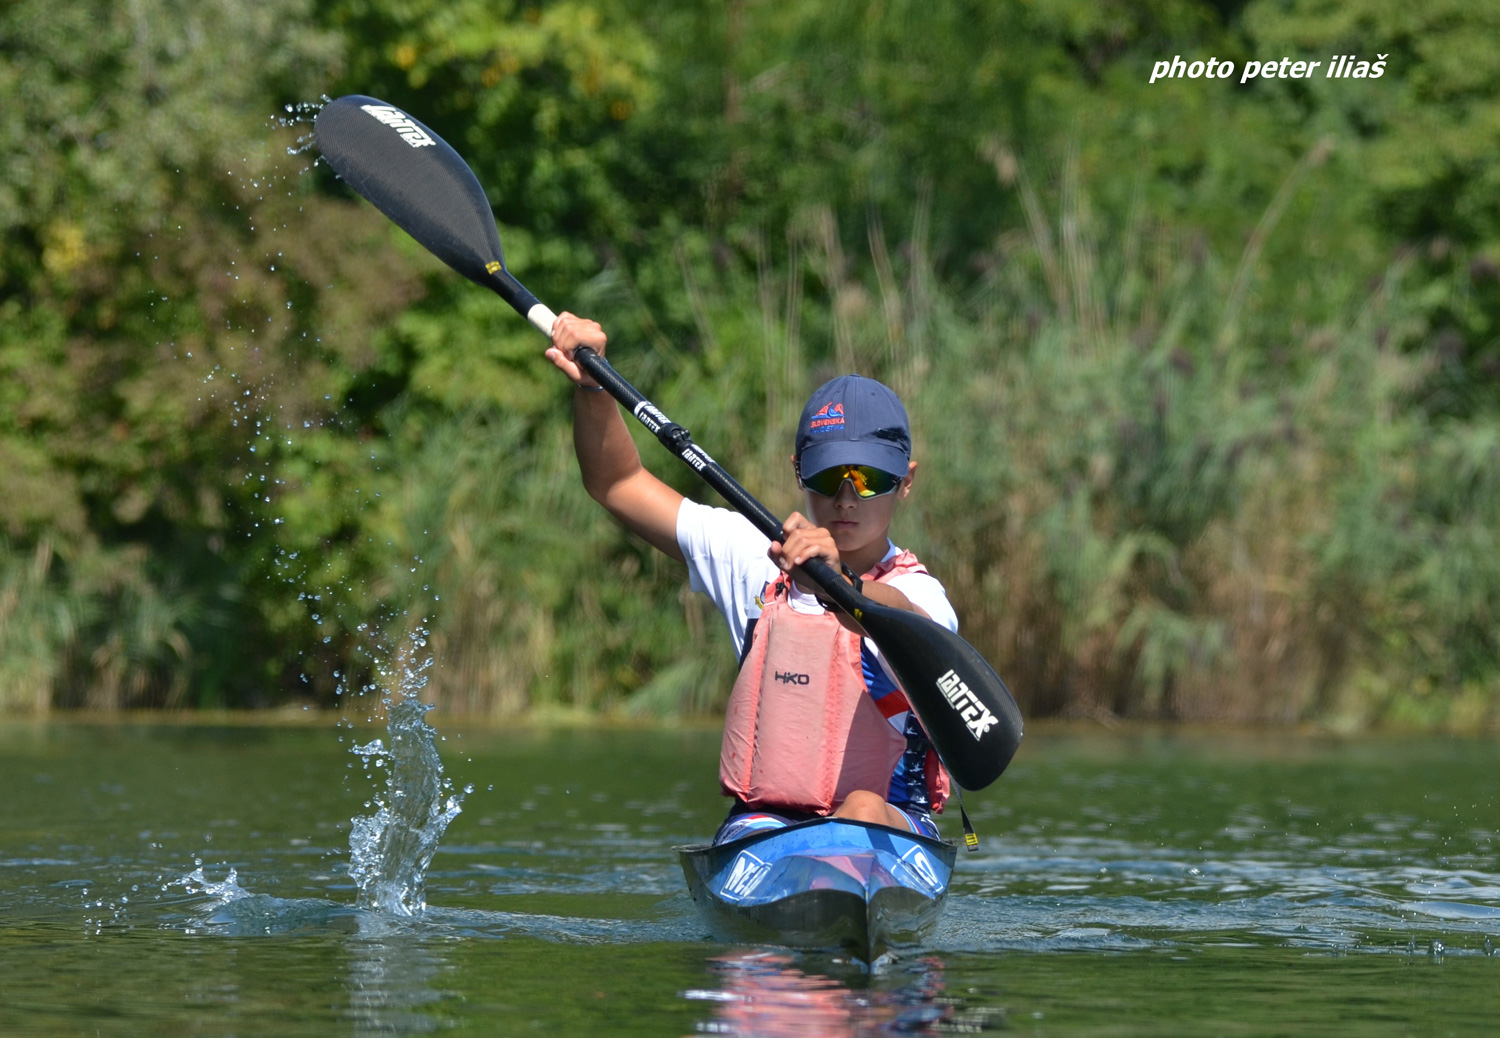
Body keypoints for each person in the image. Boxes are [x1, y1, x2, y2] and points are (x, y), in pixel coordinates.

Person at [545, 313, 957, 844]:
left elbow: (913, 622)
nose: (847, 497)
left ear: (906, 483)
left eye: (870, 478)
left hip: (891, 825)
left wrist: (844, 589)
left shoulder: (920, 592)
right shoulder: (751, 553)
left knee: (861, 806)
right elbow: (618, 483)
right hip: (766, 827)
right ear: (798, 472)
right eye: (830, 476)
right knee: (813, 822)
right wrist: (595, 390)